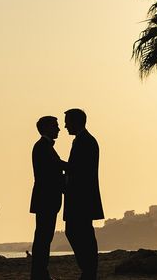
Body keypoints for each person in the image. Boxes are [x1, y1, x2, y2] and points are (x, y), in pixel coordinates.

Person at [63, 108, 103, 280]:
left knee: (77, 232)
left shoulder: (84, 141)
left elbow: (78, 169)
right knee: (82, 233)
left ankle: (88, 271)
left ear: (76, 122)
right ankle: (88, 271)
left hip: (81, 198)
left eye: (67, 122)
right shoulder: (84, 140)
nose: (65, 126)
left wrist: (57, 164)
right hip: (82, 197)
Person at [30, 116, 66, 280]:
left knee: (43, 238)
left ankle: (40, 273)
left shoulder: (43, 147)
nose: (59, 129)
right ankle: (40, 274)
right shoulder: (43, 147)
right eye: (55, 126)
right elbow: (54, 170)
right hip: (46, 199)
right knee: (43, 238)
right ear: (46, 128)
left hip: (45, 199)